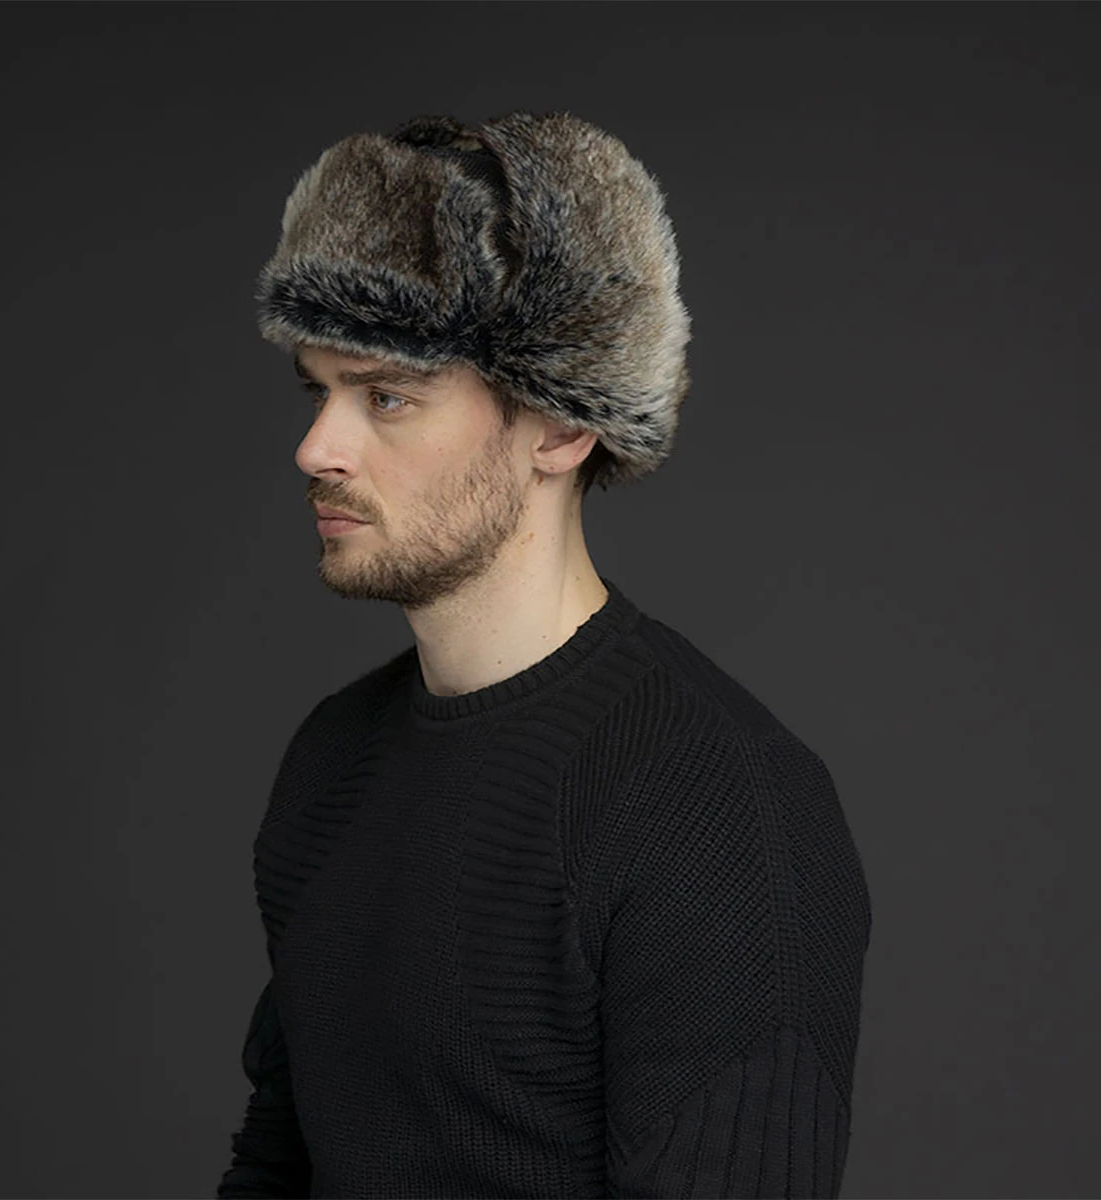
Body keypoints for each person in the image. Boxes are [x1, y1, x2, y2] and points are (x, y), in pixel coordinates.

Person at [216, 110, 871, 1199]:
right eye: (318, 392)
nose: (317, 448)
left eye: (386, 396)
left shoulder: (718, 808)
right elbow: (276, 1163)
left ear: (562, 428)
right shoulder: (330, 762)